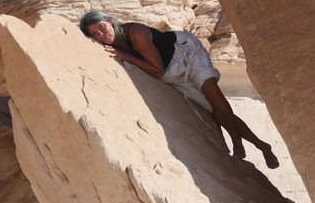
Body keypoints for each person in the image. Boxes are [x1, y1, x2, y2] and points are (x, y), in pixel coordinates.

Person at [79, 10, 279, 169]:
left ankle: (237, 141)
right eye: (95, 34)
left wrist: (126, 57)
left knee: (212, 92)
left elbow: (156, 70)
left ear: (111, 21)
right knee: (213, 111)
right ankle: (262, 146)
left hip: (185, 52)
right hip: (172, 75)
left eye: (102, 27)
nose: (102, 35)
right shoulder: (113, 46)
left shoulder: (136, 32)